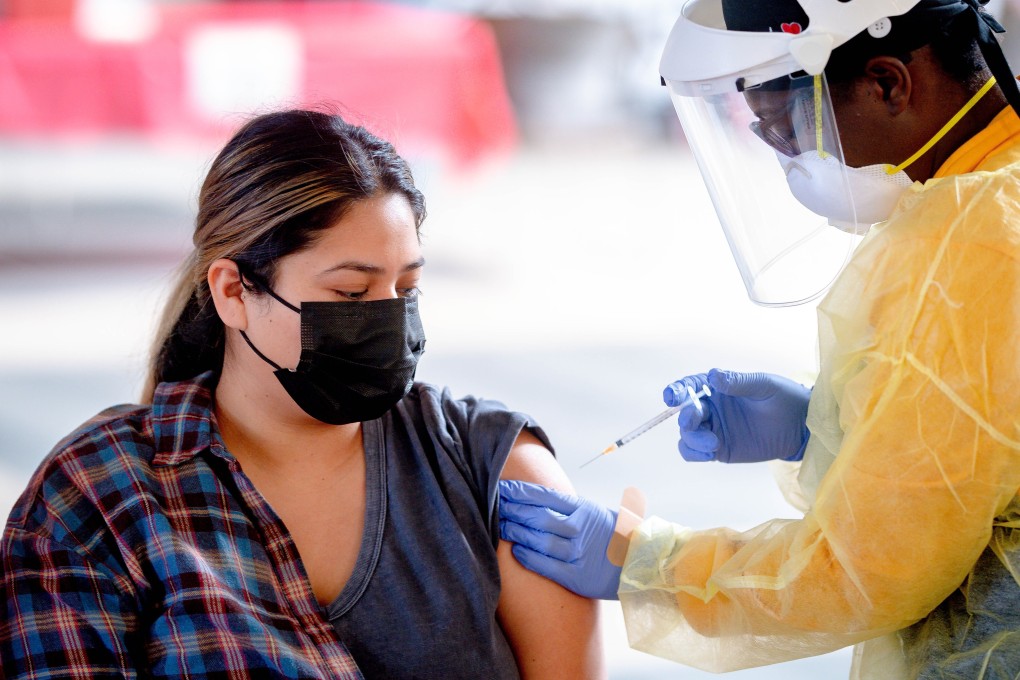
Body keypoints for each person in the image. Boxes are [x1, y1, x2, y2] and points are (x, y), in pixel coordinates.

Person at [497, 0, 1020, 677]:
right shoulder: (982, 192)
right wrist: (821, 426)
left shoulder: (978, 242)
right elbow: (980, 447)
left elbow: (866, 573)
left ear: (889, 83)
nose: (790, 164)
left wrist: (645, 561)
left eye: (790, 132)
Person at [0, 109, 604, 679]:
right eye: (349, 294)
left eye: (408, 287)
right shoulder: (94, 498)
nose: (390, 320)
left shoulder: (494, 473)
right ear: (234, 291)